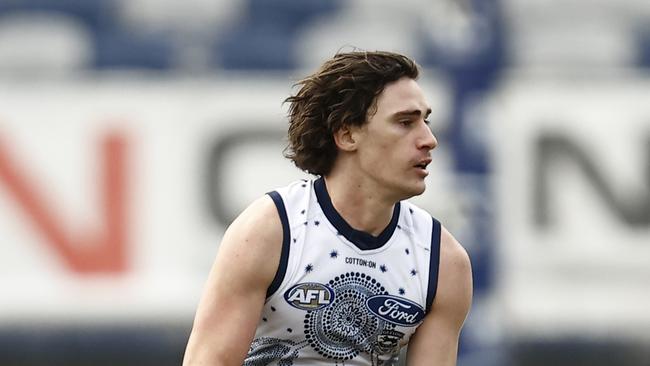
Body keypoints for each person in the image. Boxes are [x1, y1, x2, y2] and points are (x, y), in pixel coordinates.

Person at [182, 50, 473, 366]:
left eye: (426, 122)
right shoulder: (269, 231)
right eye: (405, 122)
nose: (429, 140)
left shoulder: (443, 261)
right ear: (347, 134)